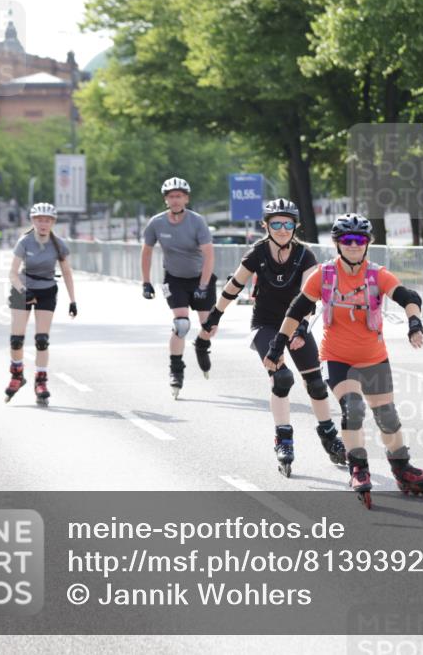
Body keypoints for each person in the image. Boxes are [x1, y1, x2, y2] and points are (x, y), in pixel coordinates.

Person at [263, 213, 423, 508]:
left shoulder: (376, 274)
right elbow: (296, 309)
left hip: (374, 357)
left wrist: (414, 323)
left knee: (388, 417)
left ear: (368, 243)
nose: (354, 245)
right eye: (347, 240)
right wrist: (278, 343)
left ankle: (401, 468)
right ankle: (358, 466)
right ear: (337, 244)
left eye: (360, 240)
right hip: (337, 357)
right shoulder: (325, 275)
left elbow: (409, 296)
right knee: (353, 408)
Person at [204, 198, 346, 478]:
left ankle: (328, 434)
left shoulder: (305, 256)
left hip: (295, 324)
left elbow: (309, 296)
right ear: (266, 226)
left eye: (288, 224)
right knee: (282, 379)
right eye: (276, 224)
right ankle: (283, 439)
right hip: (266, 325)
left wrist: (302, 328)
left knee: (316, 384)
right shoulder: (257, 252)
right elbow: (234, 286)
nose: (282, 229)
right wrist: (214, 315)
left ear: (296, 226)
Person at [141, 177, 216, 398]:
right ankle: (176, 370)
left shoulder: (197, 221)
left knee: (209, 326)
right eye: (171, 196)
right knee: (181, 324)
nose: (175, 200)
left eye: (179, 196)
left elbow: (209, 255)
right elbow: (146, 252)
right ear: (166, 199)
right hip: (173, 279)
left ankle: (202, 345)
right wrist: (145, 282)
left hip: (201, 276)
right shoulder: (156, 223)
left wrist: (203, 284)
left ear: (186, 198)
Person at [4, 202, 78, 406]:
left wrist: (73, 301)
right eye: (39, 220)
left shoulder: (59, 245)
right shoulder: (24, 242)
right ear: (32, 221)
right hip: (23, 288)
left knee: (42, 339)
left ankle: (41, 381)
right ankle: (17, 374)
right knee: (16, 340)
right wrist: (23, 291)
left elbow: (67, 273)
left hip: (46, 289)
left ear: (53, 222)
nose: (43, 224)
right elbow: (12, 273)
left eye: (47, 220)